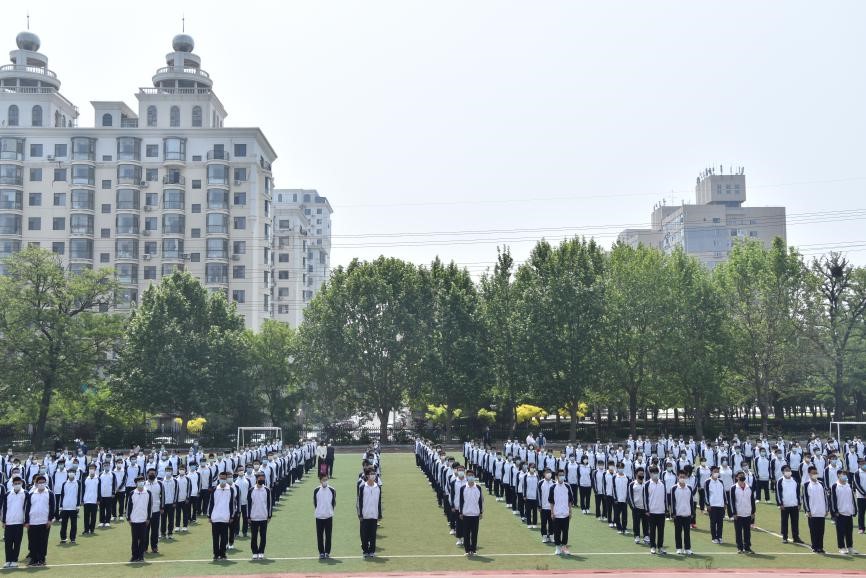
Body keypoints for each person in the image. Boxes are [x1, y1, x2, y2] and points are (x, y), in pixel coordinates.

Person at [24, 474, 54, 567]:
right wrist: (27, 521)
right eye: (39, 482)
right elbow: (27, 508)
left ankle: (41, 559)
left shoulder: (49, 493)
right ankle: (33, 559)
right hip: (33, 522)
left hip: (44, 522)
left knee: (43, 541)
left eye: (43, 482)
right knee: (33, 541)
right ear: (36, 484)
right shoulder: (32, 494)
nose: (41, 484)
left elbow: (52, 507)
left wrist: (50, 520)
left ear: (45, 483)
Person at [829, 468, 858, 555]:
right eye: (843, 474)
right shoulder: (835, 486)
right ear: (838, 475)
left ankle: (850, 547)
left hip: (849, 512)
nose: (844, 476)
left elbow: (852, 499)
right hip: (840, 513)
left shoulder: (849, 485)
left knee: (849, 531)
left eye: (845, 474)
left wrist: (854, 509)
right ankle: (841, 547)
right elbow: (833, 500)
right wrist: (835, 511)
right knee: (840, 531)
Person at [209, 472, 235, 560]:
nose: (222, 480)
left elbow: (232, 504)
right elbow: (211, 503)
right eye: (221, 478)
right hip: (215, 517)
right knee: (215, 538)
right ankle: (216, 554)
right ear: (219, 479)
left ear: (226, 479)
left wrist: (231, 516)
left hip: (225, 517)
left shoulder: (230, 490)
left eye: (224, 478)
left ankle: (223, 554)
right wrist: (209, 516)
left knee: (224, 538)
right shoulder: (215, 489)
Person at [728, 472, 755, 554]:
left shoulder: (749, 487)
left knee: (747, 532)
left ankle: (747, 547)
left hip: (747, 513)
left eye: (743, 476)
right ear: (736, 478)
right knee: (738, 532)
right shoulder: (733, 488)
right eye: (740, 476)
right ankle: (740, 547)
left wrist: (753, 512)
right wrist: (734, 513)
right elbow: (731, 502)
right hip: (738, 514)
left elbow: (752, 501)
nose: (742, 478)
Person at [127, 476, 152, 563]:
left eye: (142, 481)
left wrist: (148, 518)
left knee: (143, 540)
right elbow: (128, 506)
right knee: (134, 540)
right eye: (139, 481)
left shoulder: (148, 493)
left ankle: (141, 556)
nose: (141, 482)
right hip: (134, 520)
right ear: (136, 483)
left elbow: (150, 506)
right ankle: (134, 556)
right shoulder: (132, 493)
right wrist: (128, 518)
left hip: (144, 520)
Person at [357, 470, 382, 558]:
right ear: (367, 476)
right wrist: (360, 514)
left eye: (374, 474)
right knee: (364, 535)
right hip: (365, 514)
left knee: (373, 535)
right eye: (371, 474)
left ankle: (372, 551)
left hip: (374, 514)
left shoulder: (378, 487)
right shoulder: (362, 487)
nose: (373, 476)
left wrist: (379, 514)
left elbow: (379, 502)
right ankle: (365, 551)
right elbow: (359, 502)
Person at [2, 476, 26, 568]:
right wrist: (4, 521)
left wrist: (26, 520)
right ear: (12, 484)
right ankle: (8, 560)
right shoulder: (7, 494)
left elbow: (26, 508)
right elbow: (4, 509)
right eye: (15, 483)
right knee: (8, 543)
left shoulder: (25, 493)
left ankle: (14, 560)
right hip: (9, 522)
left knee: (17, 543)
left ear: (21, 483)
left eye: (19, 483)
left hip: (19, 522)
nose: (17, 485)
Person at [776, 465, 803, 544]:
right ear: (783, 472)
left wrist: (799, 503)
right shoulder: (780, 481)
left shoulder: (795, 480)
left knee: (795, 522)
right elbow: (778, 493)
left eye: (789, 470)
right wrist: (780, 504)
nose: (788, 472)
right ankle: (785, 537)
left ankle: (796, 537)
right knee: (784, 522)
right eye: (786, 470)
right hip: (785, 505)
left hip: (794, 504)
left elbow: (798, 493)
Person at [803, 465, 827, 554]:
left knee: (821, 531)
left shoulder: (821, 483)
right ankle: (814, 546)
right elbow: (805, 498)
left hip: (821, 511)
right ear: (809, 474)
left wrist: (826, 509)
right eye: (813, 473)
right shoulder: (806, 485)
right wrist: (807, 510)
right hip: (812, 512)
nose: (815, 474)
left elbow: (825, 498)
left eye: (816, 473)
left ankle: (820, 547)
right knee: (813, 531)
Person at [643, 466, 667, 555]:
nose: (654, 474)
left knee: (661, 531)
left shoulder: (663, 483)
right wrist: (647, 510)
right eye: (652, 473)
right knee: (652, 531)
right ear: (650, 474)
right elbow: (645, 498)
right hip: (651, 511)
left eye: (656, 472)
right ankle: (653, 546)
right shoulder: (647, 484)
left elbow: (665, 497)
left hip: (661, 511)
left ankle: (660, 547)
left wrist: (666, 509)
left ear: (658, 473)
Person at [549, 469, 573, 556]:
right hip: (556, 514)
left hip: (565, 514)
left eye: (563, 475)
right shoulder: (553, 487)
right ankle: (558, 548)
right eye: (560, 475)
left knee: (565, 532)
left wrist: (570, 512)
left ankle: (564, 547)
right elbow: (551, 501)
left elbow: (570, 501)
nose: (562, 477)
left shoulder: (567, 486)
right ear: (556, 476)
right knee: (557, 532)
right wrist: (552, 512)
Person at [458, 469, 482, 557]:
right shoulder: (463, 488)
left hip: (475, 514)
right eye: (469, 475)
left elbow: (480, 501)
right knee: (466, 534)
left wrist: (481, 512)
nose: (470, 477)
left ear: (474, 476)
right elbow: (461, 501)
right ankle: (467, 550)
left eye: (472, 475)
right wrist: (460, 512)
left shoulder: (478, 487)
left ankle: (474, 550)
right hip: (466, 514)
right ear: (466, 477)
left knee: (474, 534)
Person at [670, 471, 695, 555]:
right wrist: (673, 513)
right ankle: (679, 548)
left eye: (683, 477)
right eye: (680, 476)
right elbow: (672, 502)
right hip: (678, 514)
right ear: (677, 477)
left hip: (687, 514)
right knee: (678, 532)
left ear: (686, 478)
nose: (682, 478)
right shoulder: (674, 488)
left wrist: (692, 512)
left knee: (687, 532)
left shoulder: (690, 488)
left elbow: (691, 501)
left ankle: (687, 548)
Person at [248, 473, 272, 560]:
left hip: (263, 516)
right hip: (253, 517)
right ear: (257, 479)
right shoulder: (251, 490)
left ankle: (261, 551)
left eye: (263, 478)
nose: (262, 480)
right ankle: (254, 552)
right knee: (254, 536)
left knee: (263, 536)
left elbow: (269, 504)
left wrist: (269, 516)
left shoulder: (267, 490)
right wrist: (248, 517)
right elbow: (249, 504)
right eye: (261, 478)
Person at [314, 473, 336, 559]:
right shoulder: (316, 490)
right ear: (320, 480)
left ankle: (327, 552)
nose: (325, 481)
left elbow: (333, 503)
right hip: (319, 516)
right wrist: (319, 510)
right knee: (319, 536)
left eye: (326, 479)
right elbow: (315, 503)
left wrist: (329, 511)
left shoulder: (332, 490)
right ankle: (321, 552)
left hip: (328, 516)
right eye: (323, 480)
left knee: (328, 535)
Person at [59, 465, 82, 543]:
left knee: (73, 524)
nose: (71, 473)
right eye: (69, 472)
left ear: (75, 473)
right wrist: (61, 506)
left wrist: (78, 505)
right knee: (64, 524)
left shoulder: (78, 482)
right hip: (65, 507)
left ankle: (73, 538)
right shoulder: (64, 483)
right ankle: (63, 538)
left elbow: (79, 495)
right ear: (67, 473)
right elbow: (62, 495)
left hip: (73, 507)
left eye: (72, 472)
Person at [705, 465, 727, 544]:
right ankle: (714, 537)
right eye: (715, 471)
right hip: (712, 505)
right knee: (713, 522)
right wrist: (708, 504)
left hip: (720, 505)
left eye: (717, 471)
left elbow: (724, 493)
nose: (716, 473)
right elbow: (706, 494)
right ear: (711, 472)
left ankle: (719, 537)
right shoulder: (707, 482)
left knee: (720, 523)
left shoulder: (721, 481)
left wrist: (725, 503)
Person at [81, 464, 100, 535]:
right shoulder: (85, 478)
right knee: (86, 516)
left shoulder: (98, 479)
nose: (91, 469)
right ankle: (86, 530)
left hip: (94, 500)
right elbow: (83, 490)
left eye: (93, 468)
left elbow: (99, 490)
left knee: (93, 516)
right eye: (90, 468)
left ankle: (92, 529)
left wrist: (98, 499)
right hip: (86, 500)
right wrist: (82, 500)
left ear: (95, 470)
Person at [99, 462, 117, 528]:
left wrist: (113, 493)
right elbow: (99, 484)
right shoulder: (100, 474)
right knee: (101, 509)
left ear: (109, 466)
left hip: (109, 494)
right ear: (103, 466)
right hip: (102, 494)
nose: (106, 466)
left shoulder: (112, 474)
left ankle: (107, 521)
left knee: (108, 509)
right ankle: (101, 521)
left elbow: (114, 484)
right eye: (105, 465)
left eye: (107, 465)